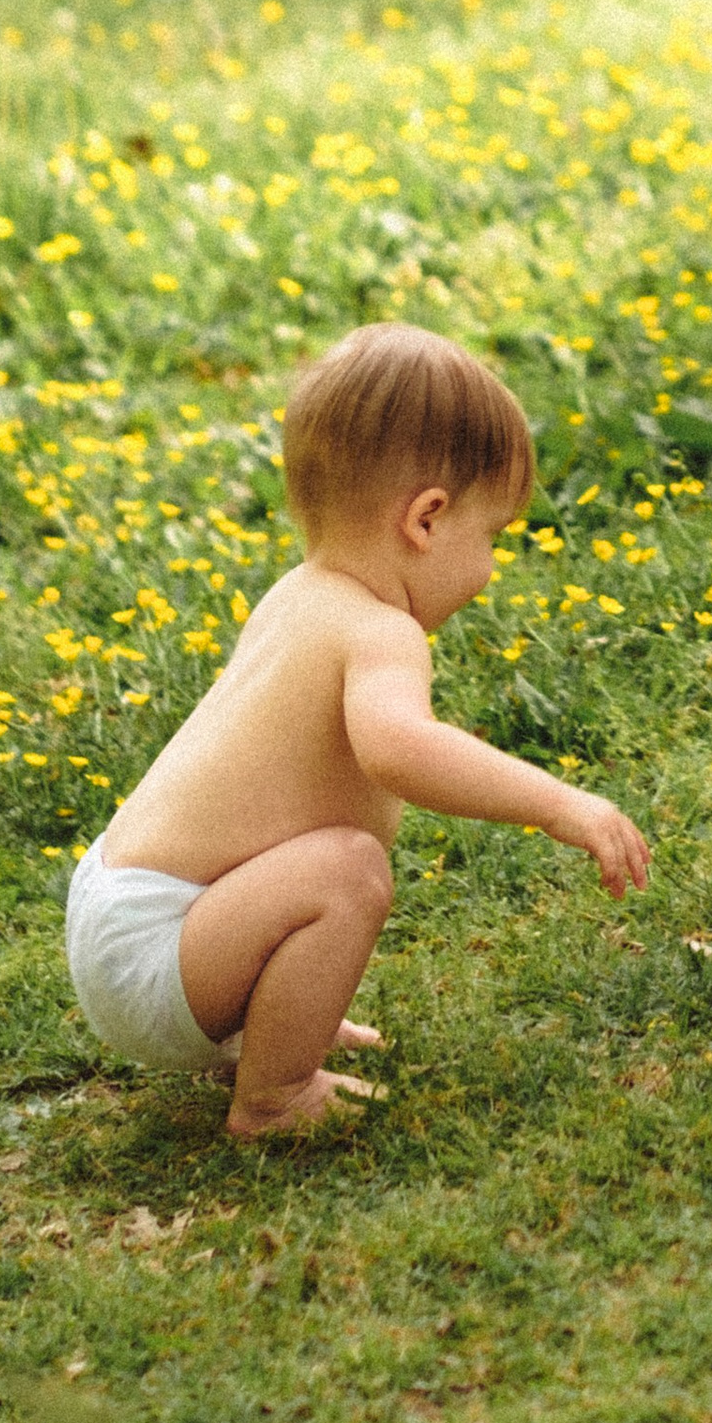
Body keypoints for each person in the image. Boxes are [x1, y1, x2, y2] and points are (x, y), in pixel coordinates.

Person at [67, 322, 650, 1135]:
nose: (488, 569)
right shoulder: (379, 631)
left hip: (122, 907)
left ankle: (279, 1010)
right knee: (348, 871)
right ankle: (272, 1098)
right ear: (427, 520)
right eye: (491, 538)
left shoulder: (298, 595)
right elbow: (400, 749)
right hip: (157, 949)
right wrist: (557, 803)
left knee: (324, 862)